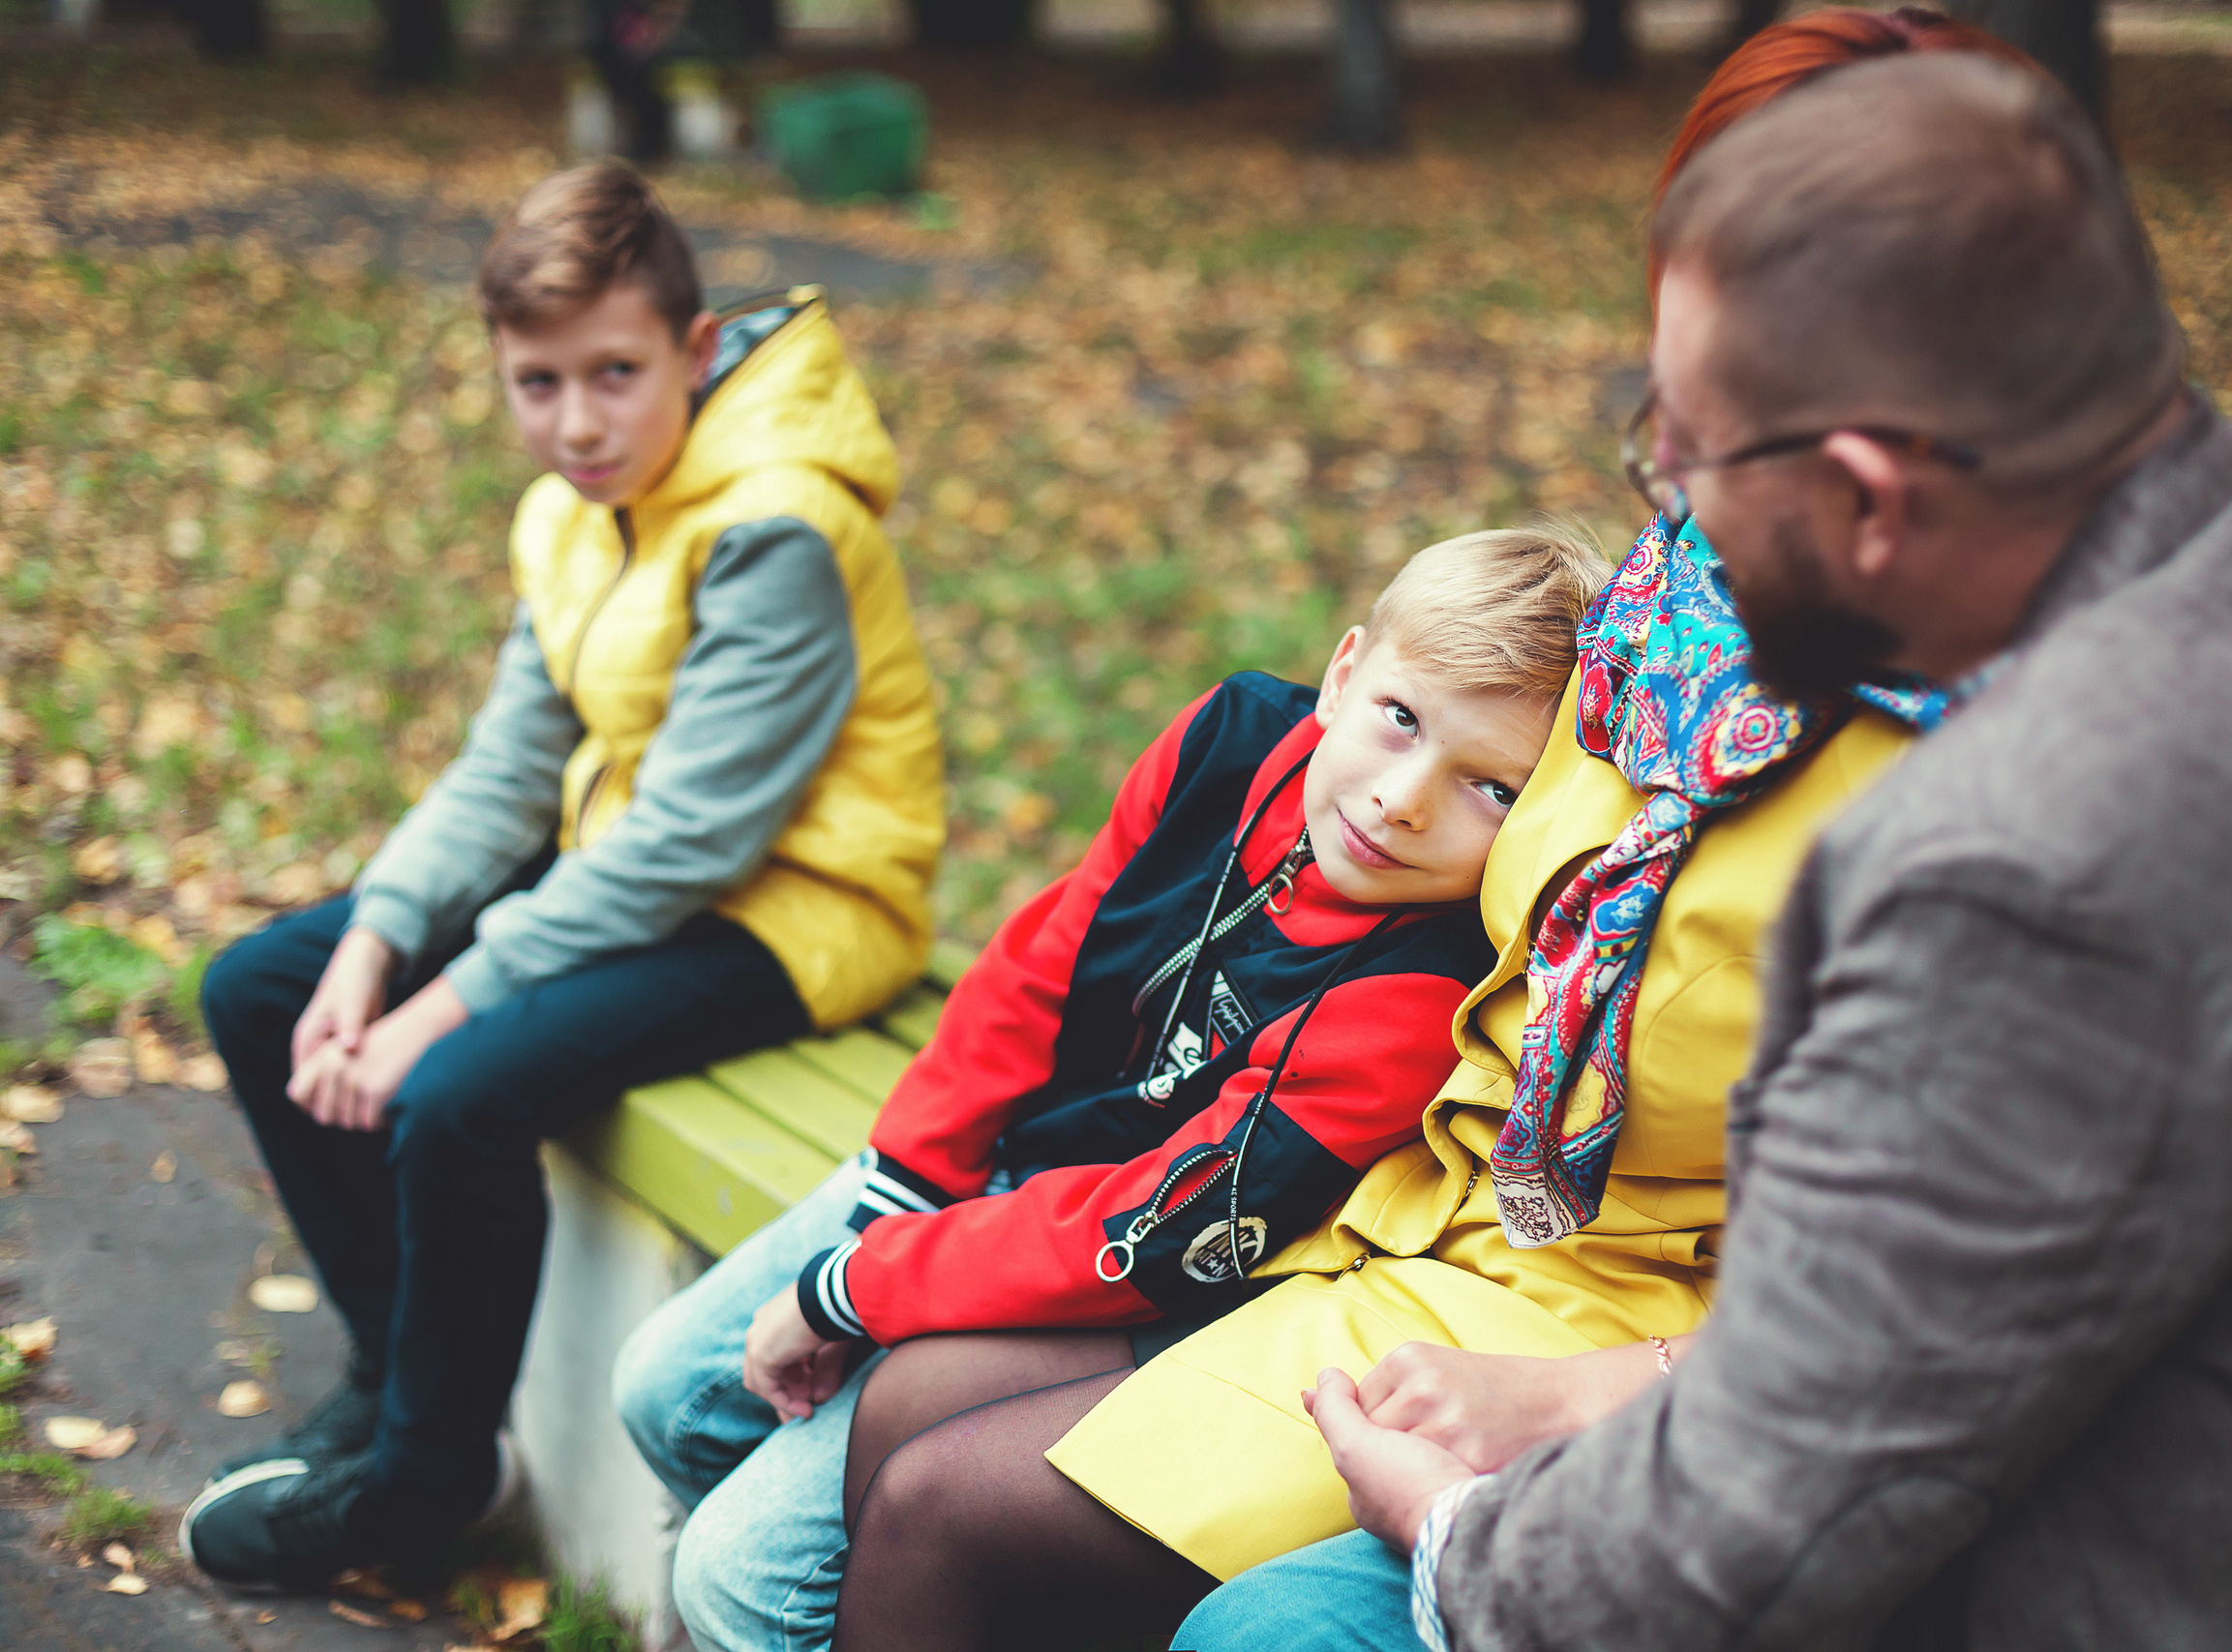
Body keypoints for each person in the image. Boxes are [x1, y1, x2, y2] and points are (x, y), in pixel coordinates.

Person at [815, 23, 2045, 1652]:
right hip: (1411, 1216)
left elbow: (1961, 1254)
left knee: (950, 1514)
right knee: (914, 1411)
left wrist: (1617, 1387)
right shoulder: (1670, 608)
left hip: (1630, 1322)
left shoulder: (1986, 736)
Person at [1297, 48, 2232, 1652]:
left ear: (1862, 497)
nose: (1673, 521)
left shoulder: (2022, 861)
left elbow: (1757, 1525)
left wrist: (1450, 1540)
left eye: (1687, 464)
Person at [612, 524, 1612, 1652]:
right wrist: (903, 1182)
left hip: (1133, 1276)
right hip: (996, 1184)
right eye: (1399, 719)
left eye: (1488, 786)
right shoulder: (1236, 743)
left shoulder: (1418, 989)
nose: (1401, 801)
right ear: (1343, 673)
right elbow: (1055, 944)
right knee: (665, 1387)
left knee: (740, 1574)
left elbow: (1153, 1229)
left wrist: (856, 1288)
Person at [177, 160, 948, 1588]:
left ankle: (418, 1488)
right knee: (261, 981)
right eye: (538, 383)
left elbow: (692, 843)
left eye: (614, 373)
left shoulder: (780, 523)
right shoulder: (575, 510)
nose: (579, 422)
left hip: (794, 911)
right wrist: (374, 944)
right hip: (643, 874)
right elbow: (508, 763)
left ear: (697, 350)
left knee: (455, 1090)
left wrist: (433, 1008)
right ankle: (403, 1378)